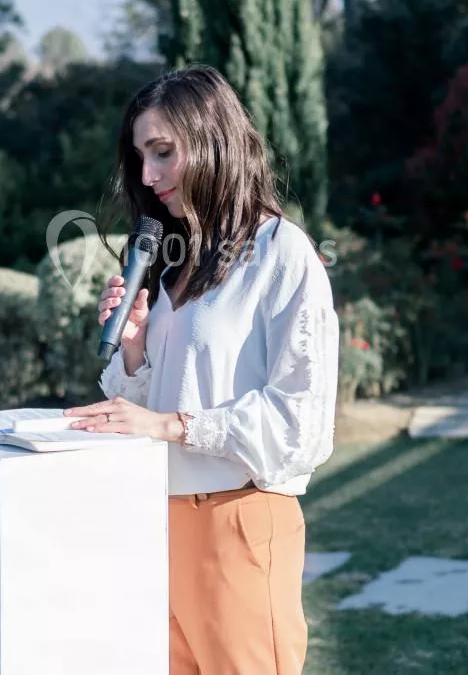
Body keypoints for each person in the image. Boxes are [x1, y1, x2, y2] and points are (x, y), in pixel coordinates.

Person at [64, 65, 340, 675]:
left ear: (213, 141)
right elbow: (155, 401)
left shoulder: (281, 253)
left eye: (163, 152)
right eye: (141, 156)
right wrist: (134, 348)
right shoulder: (173, 264)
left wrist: (171, 426)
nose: (147, 175)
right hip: (158, 525)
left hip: (238, 521)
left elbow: (300, 422)